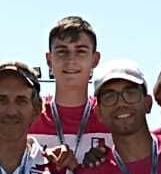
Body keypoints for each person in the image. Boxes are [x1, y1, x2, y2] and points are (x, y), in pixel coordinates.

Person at [30, 16, 109, 162]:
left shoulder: (109, 115)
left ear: (95, 59)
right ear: (49, 60)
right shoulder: (29, 114)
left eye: (81, 51)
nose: (71, 60)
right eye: (62, 51)